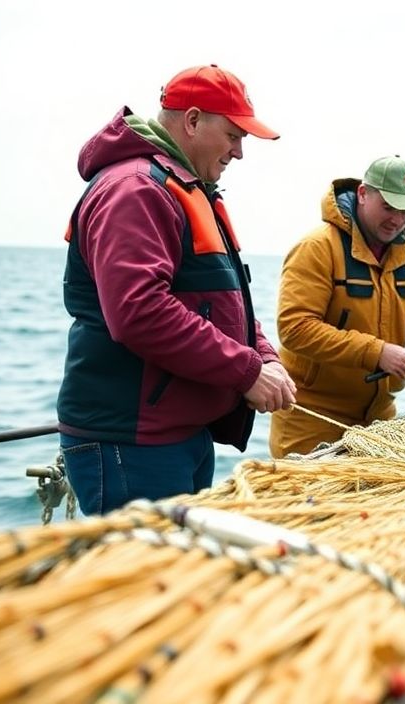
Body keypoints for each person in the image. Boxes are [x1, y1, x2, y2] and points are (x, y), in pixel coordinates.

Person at [57, 64, 297, 515]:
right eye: (233, 135)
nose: (240, 152)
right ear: (191, 121)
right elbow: (140, 312)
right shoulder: (134, 190)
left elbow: (222, 302)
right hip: (131, 441)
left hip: (181, 434)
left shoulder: (187, 189)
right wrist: (246, 371)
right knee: (144, 580)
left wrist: (263, 355)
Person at [269, 155, 405, 457]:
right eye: (389, 206)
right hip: (311, 419)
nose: (396, 219)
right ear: (363, 194)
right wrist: (376, 352)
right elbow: (295, 329)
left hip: (379, 419)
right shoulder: (316, 248)